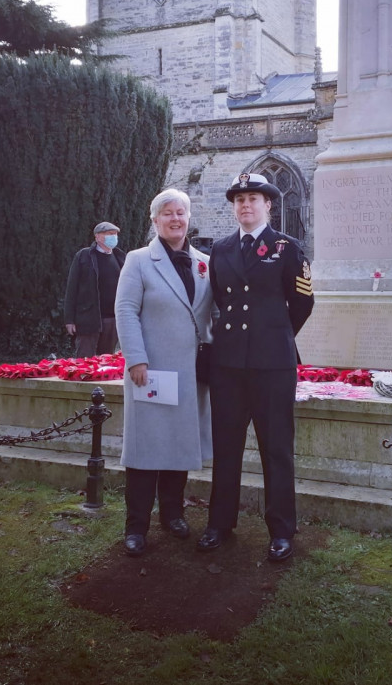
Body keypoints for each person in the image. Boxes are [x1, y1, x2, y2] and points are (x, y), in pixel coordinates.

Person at [197, 172, 314, 563]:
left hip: (272, 365)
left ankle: (281, 530)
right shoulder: (222, 248)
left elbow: (301, 304)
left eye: (254, 199)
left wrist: (274, 335)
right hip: (228, 363)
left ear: (269, 205)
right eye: (239, 199)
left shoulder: (288, 247)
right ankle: (219, 522)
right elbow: (216, 300)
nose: (245, 205)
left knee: (276, 448)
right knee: (226, 445)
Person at [114, 189, 214, 557]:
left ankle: (173, 515)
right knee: (145, 450)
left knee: (178, 445)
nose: (175, 219)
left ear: (189, 219)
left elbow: (211, 314)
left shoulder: (204, 262)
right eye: (167, 213)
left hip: (189, 375)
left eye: (181, 213)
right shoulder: (139, 261)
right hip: (150, 372)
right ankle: (135, 526)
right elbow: (125, 310)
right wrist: (136, 359)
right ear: (155, 220)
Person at [64, 221, 126, 357]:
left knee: (106, 361)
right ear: (97, 237)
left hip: (112, 319)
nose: (113, 237)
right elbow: (72, 288)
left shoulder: (119, 256)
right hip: (88, 318)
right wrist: (69, 319)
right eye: (109, 234)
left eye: (115, 234)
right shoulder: (84, 256)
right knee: (84, 359)